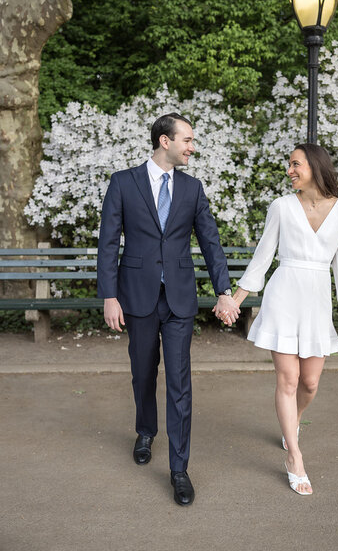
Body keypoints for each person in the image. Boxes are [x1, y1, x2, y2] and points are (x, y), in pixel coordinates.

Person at [97, 113, 240, 506]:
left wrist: (224, 290)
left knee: (179, 383)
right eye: (188, 140)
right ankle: (145, 430)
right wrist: (110, 296)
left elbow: (210, 243)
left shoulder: (193, 189)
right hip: (136, 296)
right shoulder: (123, 183)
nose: (192, 147)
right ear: (165, 141)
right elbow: (109, 242)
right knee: (142, 372)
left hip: (179, 298)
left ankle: (179, 469)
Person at [227, 143, 338, 495]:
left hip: (316, 302)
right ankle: (294, 457)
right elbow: (262, 257)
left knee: (310, 383)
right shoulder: (281, 207)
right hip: (283, 296)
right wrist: (236, 299)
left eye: (296, 164)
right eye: (289, 165)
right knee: (289, 379)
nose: (290, 171)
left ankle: (291, 425)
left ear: (315, 166)